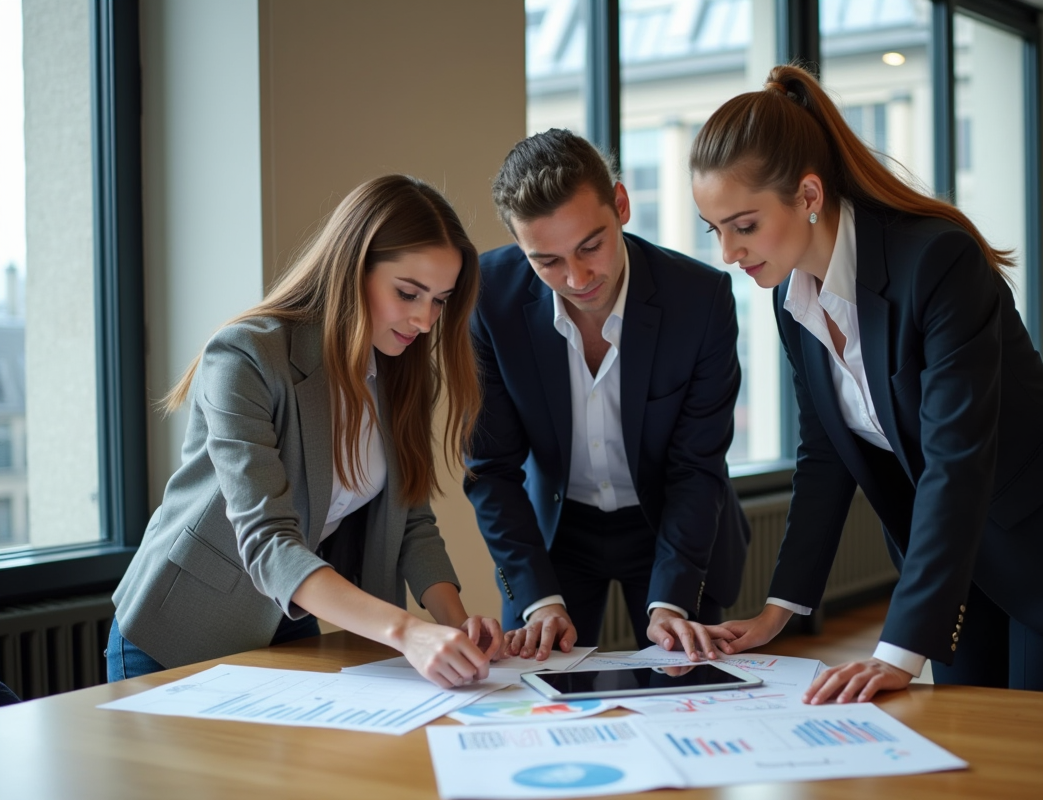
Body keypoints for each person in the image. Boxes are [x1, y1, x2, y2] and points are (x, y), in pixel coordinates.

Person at [690, 65, 1043, 703]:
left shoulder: (936, 260)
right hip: (957, 558)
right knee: (967, 741)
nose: (728, 252)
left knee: (1038, 746)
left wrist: (897, 651)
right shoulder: (791, 297)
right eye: (714, 229)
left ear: (808, 194)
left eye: (744, 226)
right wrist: (780, 610)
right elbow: (824, 455)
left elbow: (955, 456)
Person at [108, 175, 502, 689]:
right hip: (179, 630)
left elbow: (411, 519)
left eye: (440, 301)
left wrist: (456, 625)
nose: (425, 321)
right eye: (408, 293)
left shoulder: (398, 369)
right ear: (353, 268)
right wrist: (409, 632)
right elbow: (268, 539)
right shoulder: (245, 355)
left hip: (286, 621)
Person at [465, 129, 750, 660]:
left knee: (688, 680)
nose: (576, 278)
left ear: (621, 205)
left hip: (673, 526)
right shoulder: (487, 298)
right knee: (535, 691)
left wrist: (672, 602)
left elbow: (696, 465)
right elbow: (491, 468)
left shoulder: (700, 299)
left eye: (590, 246)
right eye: (547, 261)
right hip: (554, 534)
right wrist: (538, 598)